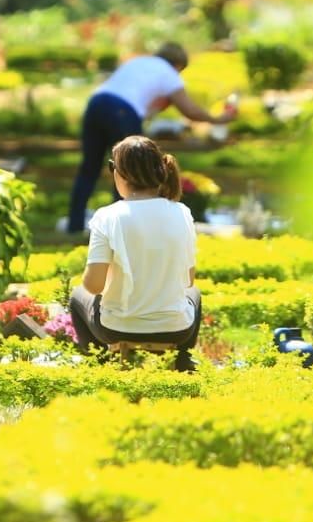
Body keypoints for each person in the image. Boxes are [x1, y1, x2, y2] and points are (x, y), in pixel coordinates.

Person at [66, 42, 235, 233]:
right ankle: (120, 230)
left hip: (96, 103)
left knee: (89, 168)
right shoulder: (169, 73)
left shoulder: (138, 62)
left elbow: (142, 105)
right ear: (178, 65)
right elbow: (189, 110)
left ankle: (74, 225)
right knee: (127, 170)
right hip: (123, 110)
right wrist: (218, 119)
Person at [68, 135, 202, 372]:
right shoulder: (182, 212)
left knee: (77, 295)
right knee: (195, 293)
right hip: (177, 329)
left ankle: (98, 365)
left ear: (119, 173)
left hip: (116, 328)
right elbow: (188, 280)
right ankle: (183, 361)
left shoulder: (107, 216)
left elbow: (94, 286)